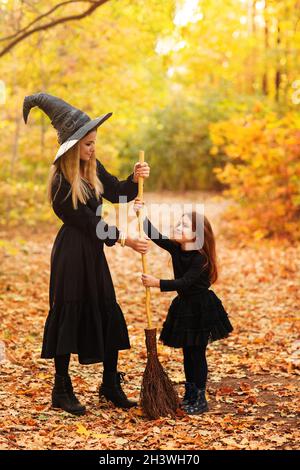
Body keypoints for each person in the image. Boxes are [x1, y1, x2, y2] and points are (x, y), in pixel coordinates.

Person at [23, 93, 150, 416]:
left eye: (94, 142)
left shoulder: (92, 168)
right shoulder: (61, 183)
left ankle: (109, 384)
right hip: (71, 255)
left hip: (92, 255)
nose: (93, 148)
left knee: (106, 309)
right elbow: (89, 223)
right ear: (72, 146)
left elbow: (119, 193)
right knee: (70, 312)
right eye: (88, 144)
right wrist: (124, 238)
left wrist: (135, 178)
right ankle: (61, 388)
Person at [133, 199, 233, 415]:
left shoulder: (200, 258)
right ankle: (190, 392)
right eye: (178, 224)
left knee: (197, 354)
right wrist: (141, 214)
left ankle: (200, 397)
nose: (178, 228)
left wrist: (157, 283)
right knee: (188, 353)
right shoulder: (177, 248)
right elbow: (155, 235)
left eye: (184, 226)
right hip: (185, 307)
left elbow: (185, 282)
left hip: (201, 309)